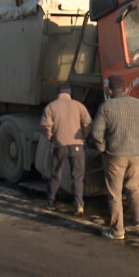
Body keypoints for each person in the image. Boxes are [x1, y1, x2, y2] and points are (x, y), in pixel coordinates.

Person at [91, 74, 139, 240]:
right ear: (126, 89)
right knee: (134, 188)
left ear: (110, 90)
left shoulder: (106, 107)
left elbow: (97, 133)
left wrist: (102, 148)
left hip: (114, 156)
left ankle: (118, 231)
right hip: (135, 154)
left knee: (115, 194)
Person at [40, 82, 92, 215]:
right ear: (69, 93)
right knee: (77, 176)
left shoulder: (51, 107)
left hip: (59, 145)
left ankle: (51, 202)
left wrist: (51, 138)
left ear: (58, 93)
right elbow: (88, 123)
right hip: (77, 145)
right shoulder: (79, 106)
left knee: (56, 174)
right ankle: (79, 205)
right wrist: (83, 136)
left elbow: (46, 127)